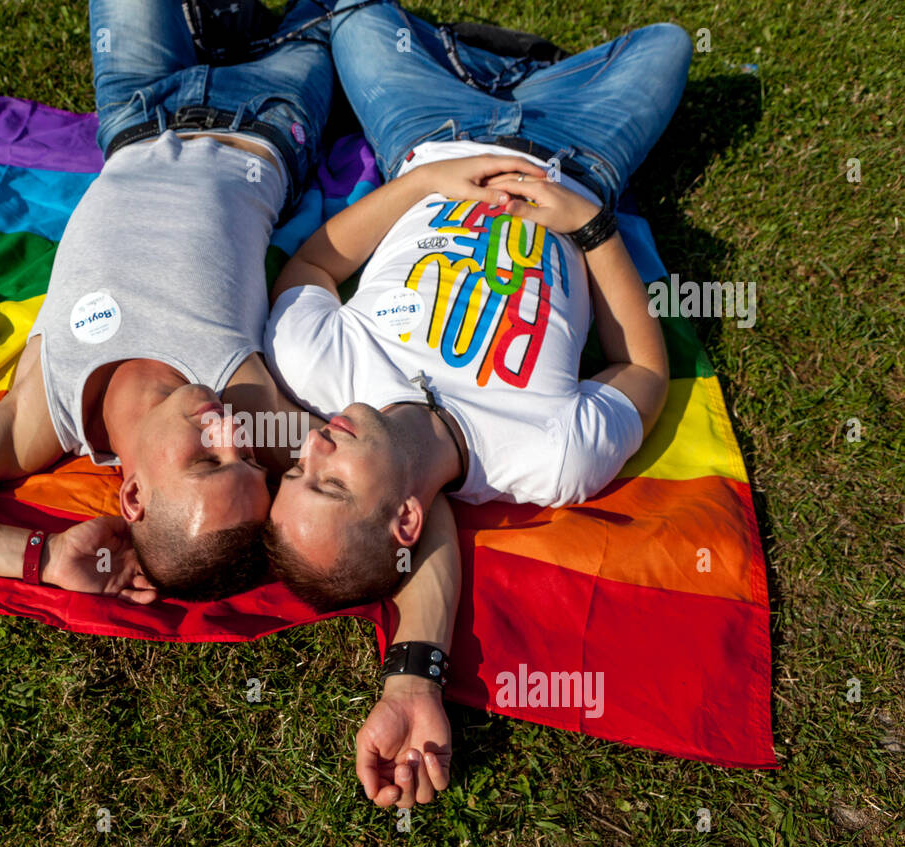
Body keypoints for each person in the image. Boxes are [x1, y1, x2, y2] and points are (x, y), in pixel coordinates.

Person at [0, 0, 339, 602]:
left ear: (133, 497)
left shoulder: (41, 415)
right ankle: (234, 23)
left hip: (134, 112)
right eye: (252, 462)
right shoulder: (251, 404)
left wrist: (42, 556)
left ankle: (228, 22)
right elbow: (398, 492)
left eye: (208, 462)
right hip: (266, 115)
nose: (232, 434)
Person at [264, 0, 692, 615]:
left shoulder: (311, 368)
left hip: (427, 134)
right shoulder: (550, 460)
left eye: (297, 473)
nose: (312, 450)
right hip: (579, 159)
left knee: (356, 15)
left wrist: (423, 184)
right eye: (331, 485)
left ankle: (490, 70)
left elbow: (313, 266)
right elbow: (646, 371)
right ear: (407, 519)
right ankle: (517, 70)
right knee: (667, 42)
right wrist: (592, 228)